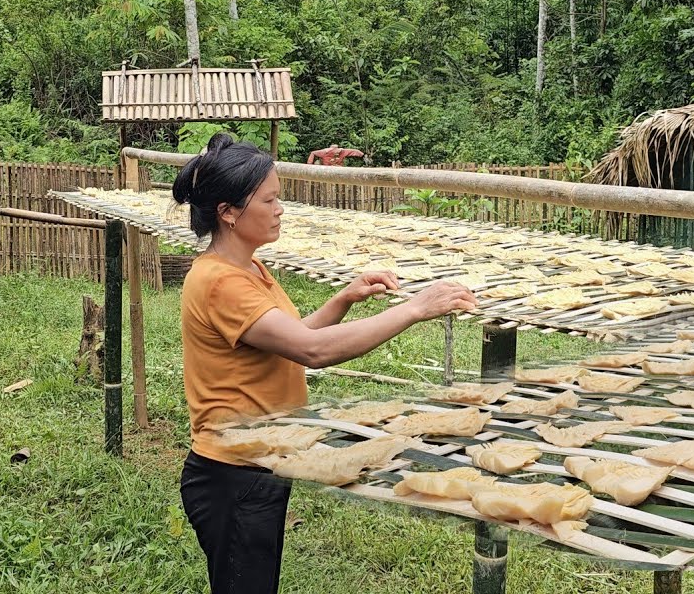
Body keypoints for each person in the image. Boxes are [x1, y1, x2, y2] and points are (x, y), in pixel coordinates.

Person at [172, 133, 477, 594]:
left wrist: (344, 299)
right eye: (269, 200)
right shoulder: (220, 283)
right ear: (228, 212)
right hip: (233, 474)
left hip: (257, 464)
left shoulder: (247, 269)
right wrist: (414, 308)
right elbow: (313, 351)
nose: (280, 209)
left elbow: (289, 337)